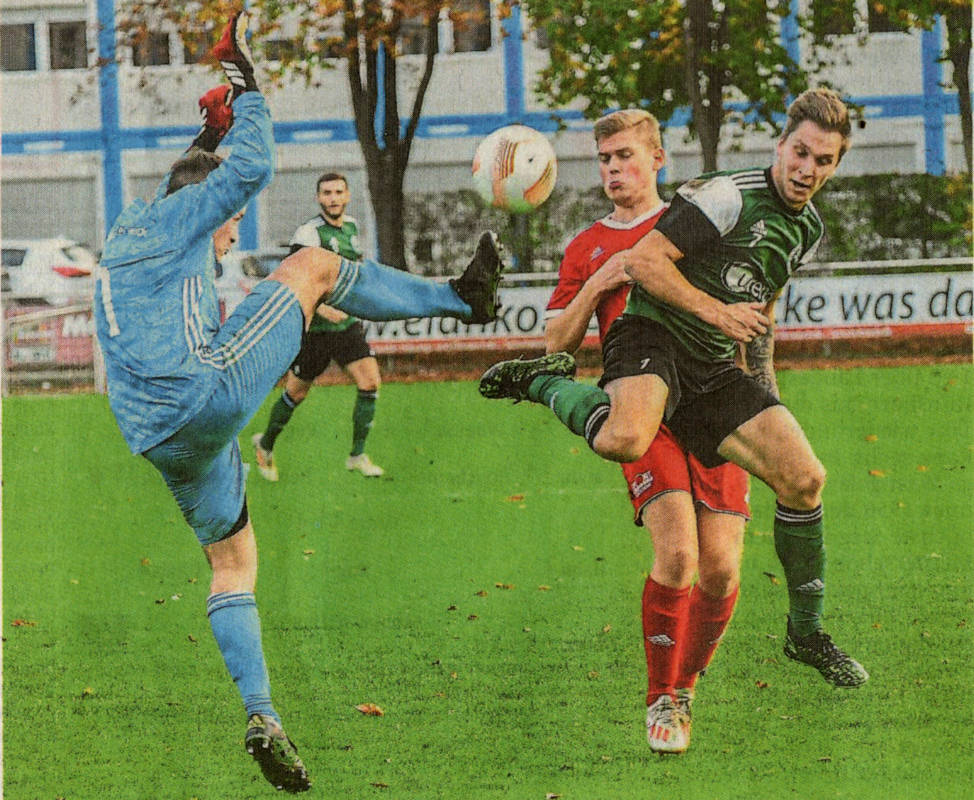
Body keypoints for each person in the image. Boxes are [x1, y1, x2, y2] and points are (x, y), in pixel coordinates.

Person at [94, 12, 504, 794]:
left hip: (158, 439)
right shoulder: (182, 221)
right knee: (314, 265)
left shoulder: (135, 229)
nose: (230, 230)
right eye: (227, 222)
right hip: (200, 396)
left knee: (233, 563)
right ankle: (463, 298)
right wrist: (245, 89)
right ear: (204, 209)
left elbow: (192, 183)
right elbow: (249, 169)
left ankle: (263, 714)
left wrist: (208, 135)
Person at [481, 88, 869, 693]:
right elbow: (644, 265)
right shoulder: (723, 195)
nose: (806, 169)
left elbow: (762, 308)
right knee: (632, 450)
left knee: (802, 480)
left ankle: (806, 632)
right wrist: (713, 312)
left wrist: (764, 390)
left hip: (711, 368)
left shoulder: (806, 229)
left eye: (823, 161)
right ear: (780, 145)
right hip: (651, 340)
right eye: (800, 152)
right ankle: (545, 384)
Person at [543, 108, 750, 754]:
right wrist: (600, 282)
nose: (613, 169)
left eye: (625, 156)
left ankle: (684, 686)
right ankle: (663, 697)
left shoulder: (694, 227)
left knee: (721, 570)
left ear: (657, 159)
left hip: (711, 402)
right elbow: (555, 342)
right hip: (642, 409)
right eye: (604, 159)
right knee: (680, 555)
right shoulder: (585, 247)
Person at [253, 172, 386, 481]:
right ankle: (265, 445)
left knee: (370, 382)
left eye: (339, 192)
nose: (333, 198)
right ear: (318, 198)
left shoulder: (352, 228)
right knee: (296, 394)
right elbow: (294, 279)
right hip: (315, 332)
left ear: (347, 195)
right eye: (327, 193)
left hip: (347, 328)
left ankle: (357, 456)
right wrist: (323, 308)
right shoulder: (309, 233)